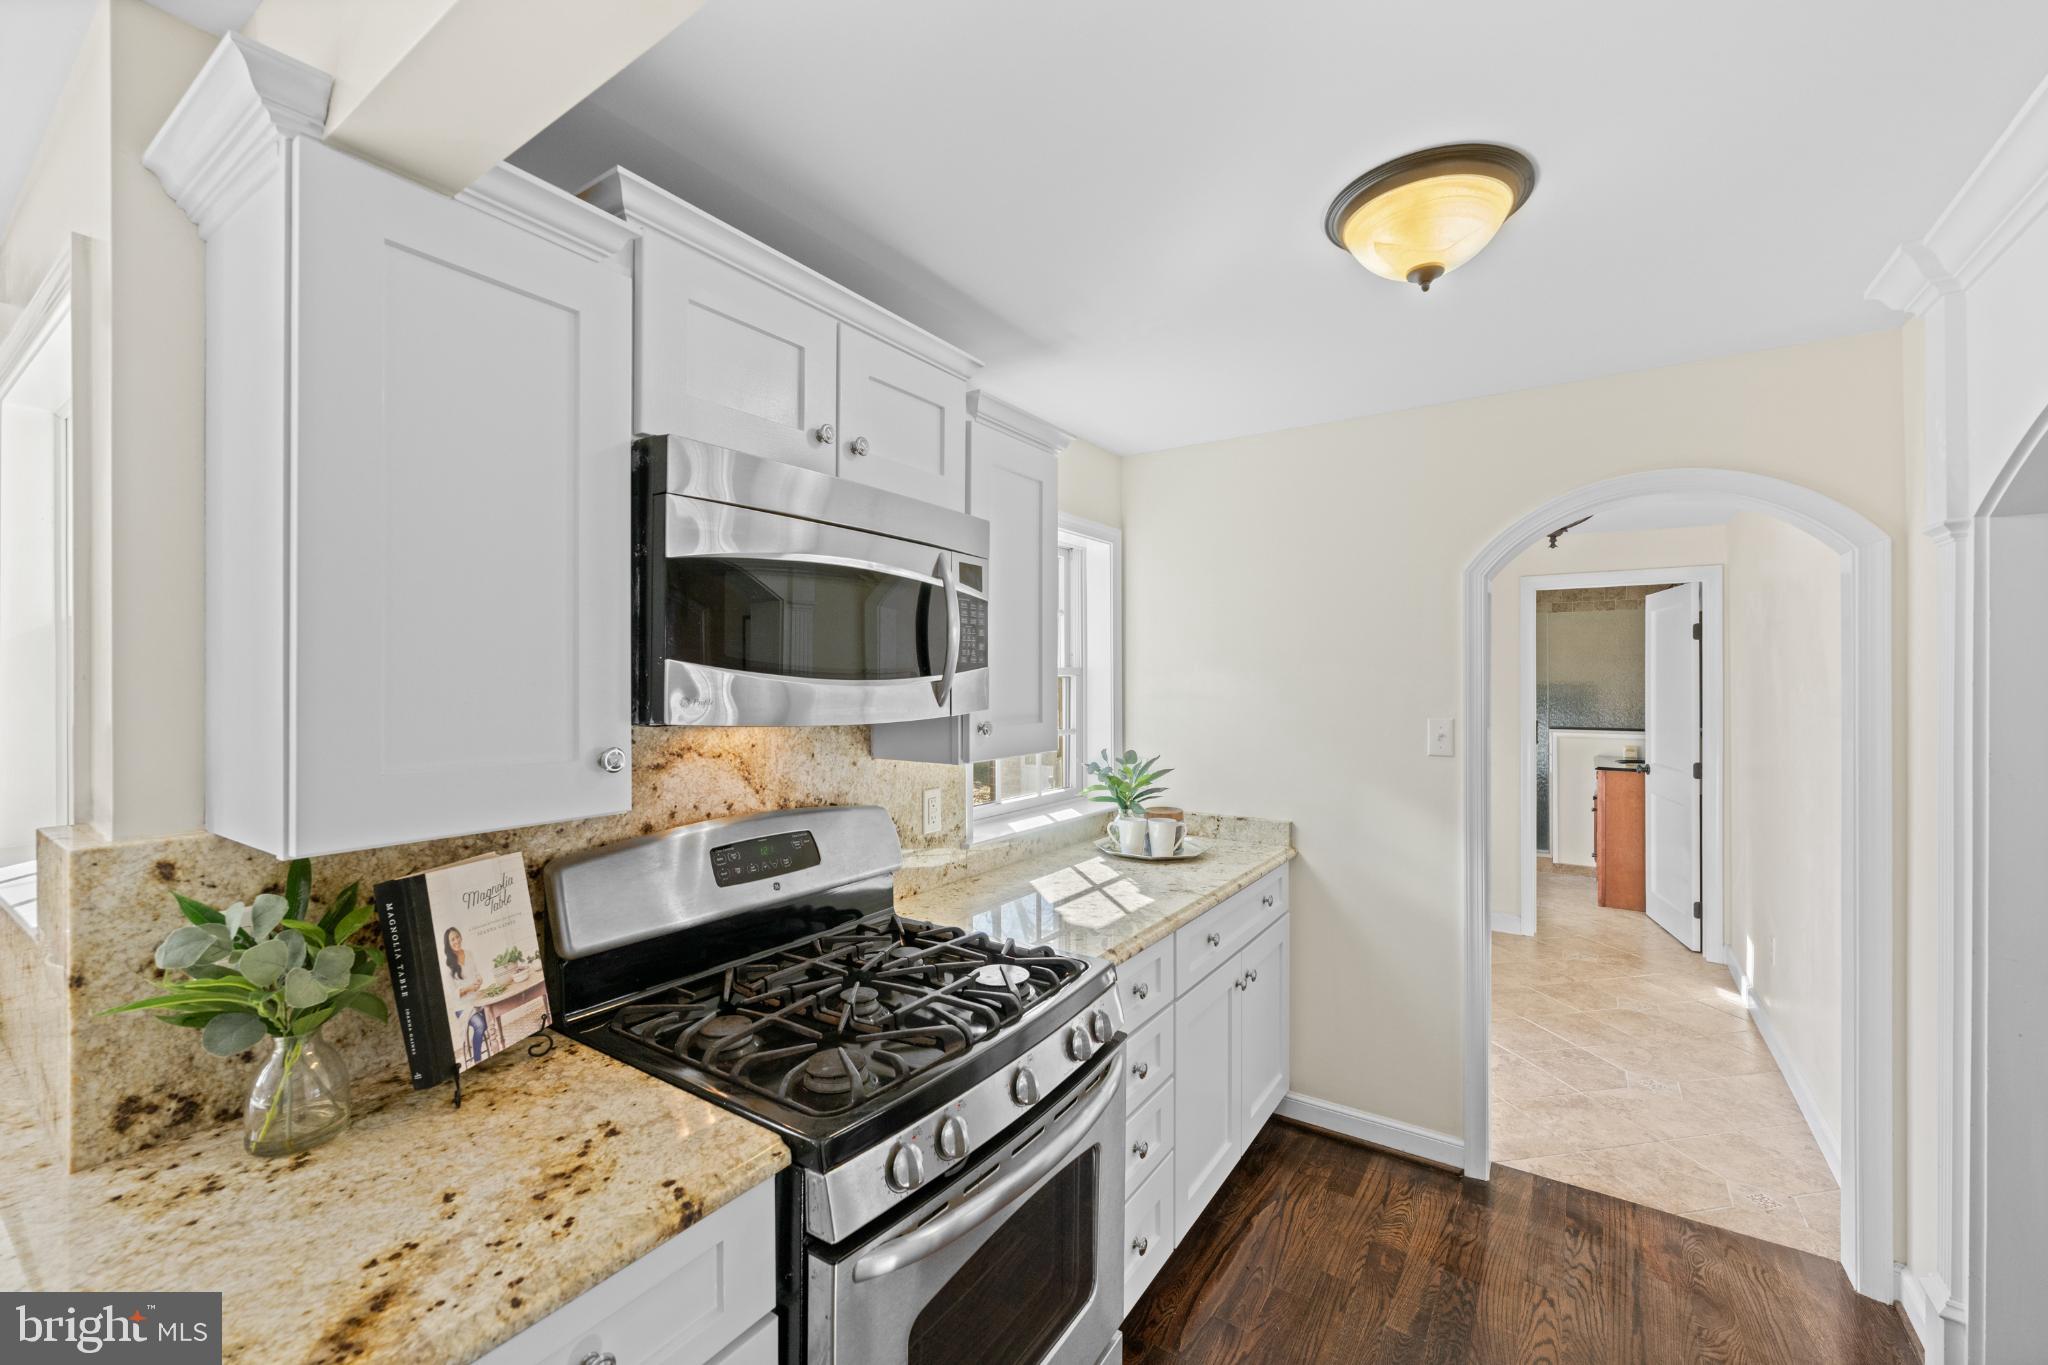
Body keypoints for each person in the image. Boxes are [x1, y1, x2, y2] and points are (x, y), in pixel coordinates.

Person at [444, 926, 481, 998]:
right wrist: (468, 989)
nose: (457, 941)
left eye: (457, 937)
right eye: (452, 939)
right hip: (464, 1006)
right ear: (448, 944)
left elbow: (476, 973)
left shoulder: (469, 953)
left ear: (461, 937)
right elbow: (453, 995)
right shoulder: (448, 965)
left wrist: (479, 979)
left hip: (477, 998)